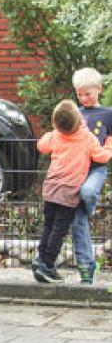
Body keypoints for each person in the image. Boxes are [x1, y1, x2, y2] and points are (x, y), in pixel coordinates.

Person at [34, 100, 112, 283]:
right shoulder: (86, 137)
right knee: (59, 231)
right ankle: (48, 266)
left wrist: (53, 131)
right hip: (69, 192)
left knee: (48, 226)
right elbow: (101, 156)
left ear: (56, 123)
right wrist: (109, 143)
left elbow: (41, 146)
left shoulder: (55, 135)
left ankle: (40, 260)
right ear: (79, 120)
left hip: (50, 188)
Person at [70, 67, 112, 284]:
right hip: (76, 169)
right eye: (79, 94)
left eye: (88, 93)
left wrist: (108, 150)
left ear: (99, 90)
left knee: (87, 193)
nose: (84, 98)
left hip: (96, 168)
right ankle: (86, 268)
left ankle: (90, 206)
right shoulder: (75, 114)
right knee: (77, 221)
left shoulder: (107, 114)